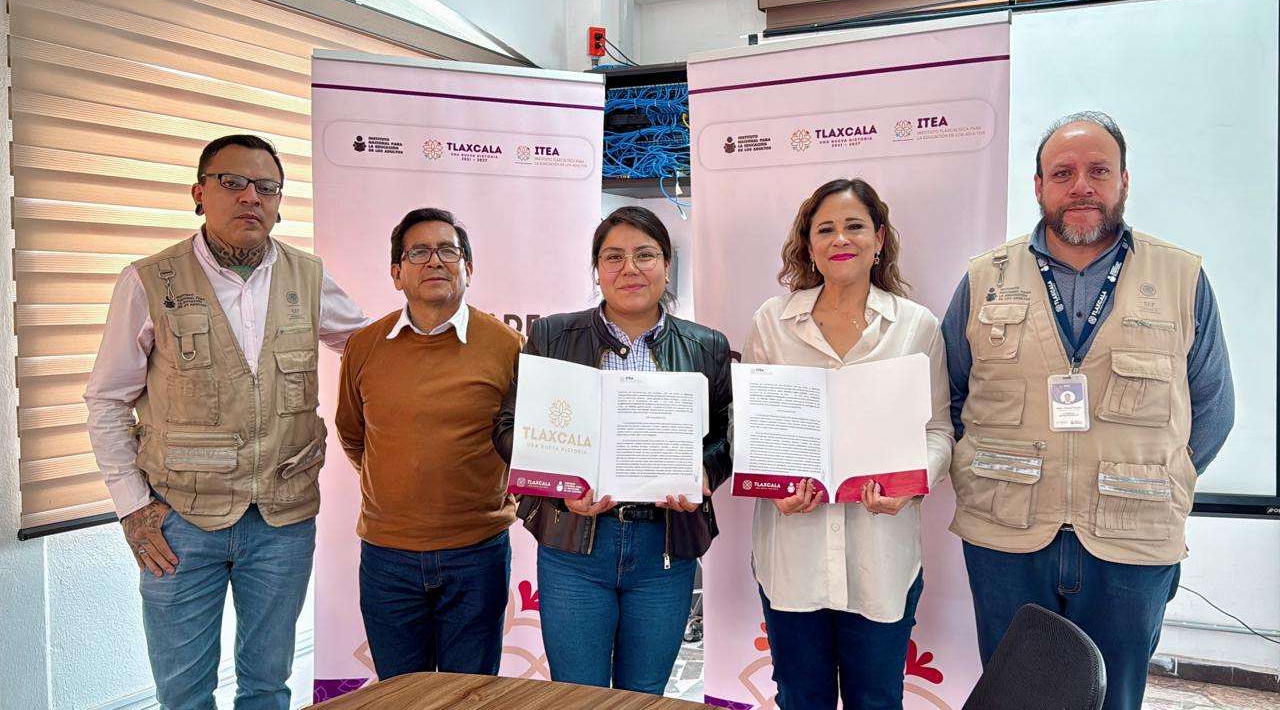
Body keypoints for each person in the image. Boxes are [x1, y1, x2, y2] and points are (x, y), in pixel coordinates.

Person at [941, 111, 1235, 710]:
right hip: (1007, 538)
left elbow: (1213, 409)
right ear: (1038, 186)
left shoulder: (1181, 278)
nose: (1081, 186)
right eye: (1063, 173)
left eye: (1098, 171)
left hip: (1131, 543)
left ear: (1124, 180)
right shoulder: (984, 279)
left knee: (1115, 699)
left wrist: (1162, 477)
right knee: (1015, 698)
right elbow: (950, 395)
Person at [83, 134, 368, 709]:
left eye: (266, 188)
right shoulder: (150, 281)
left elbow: (370, 353)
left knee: (268, 686)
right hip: (180, 522)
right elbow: (108, 400)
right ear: (199, 193)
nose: (250, 198)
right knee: (184, 692)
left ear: (279, 202)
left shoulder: (308, 277)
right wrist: (133, 508)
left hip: (284, 519)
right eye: (232, 182)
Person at [492, 206, 733, 695]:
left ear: (667, 265)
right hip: (574, 547)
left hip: (664, 549)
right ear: (597, 269)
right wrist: (561, 488)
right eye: (614, 257)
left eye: (645, 255)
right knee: (577, 696)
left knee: (643, 697)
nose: (630, 269)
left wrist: (705, 471)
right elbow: (508, 428)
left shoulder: (706, 346)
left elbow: (729, 433)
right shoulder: (552, 336)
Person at [742, 178, 954, 710]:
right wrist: (771, 487)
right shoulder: (772, 322)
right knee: (800, 699)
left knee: (876, 701)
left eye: (855, 226)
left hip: (880, 560)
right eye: (826, 229)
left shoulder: (916, 326)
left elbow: (939, 432)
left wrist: (912, 483)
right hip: (792, 558)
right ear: (809, 245)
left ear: (879, 238)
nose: (841, 239)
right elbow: (747, 426)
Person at [335, 208, 522, 679]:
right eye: (418, 252)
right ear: (397, 273)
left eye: (448, 251)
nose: (435, 261)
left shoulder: (509, 346)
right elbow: (354, 434)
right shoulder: (364, 346)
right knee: (400, 695)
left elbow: (525, 441)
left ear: (468, 268)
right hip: (388, 557)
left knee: (470, 696)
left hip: (477, 553)